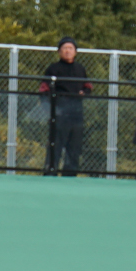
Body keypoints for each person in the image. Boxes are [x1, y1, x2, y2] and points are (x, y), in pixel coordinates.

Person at [39, 38, 91, 177]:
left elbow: (88, 87)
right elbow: (43, 91)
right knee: (55, 147)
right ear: (59, 51)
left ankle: (70, 177)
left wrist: (83, 93)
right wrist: (52, 110)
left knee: (74, 149)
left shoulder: (80, 69)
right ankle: (50, 175)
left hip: (76, 115)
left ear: (75, 52)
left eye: (70, 48)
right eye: (64, 48)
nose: (67, 51)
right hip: (59, 116)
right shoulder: (53, 68)